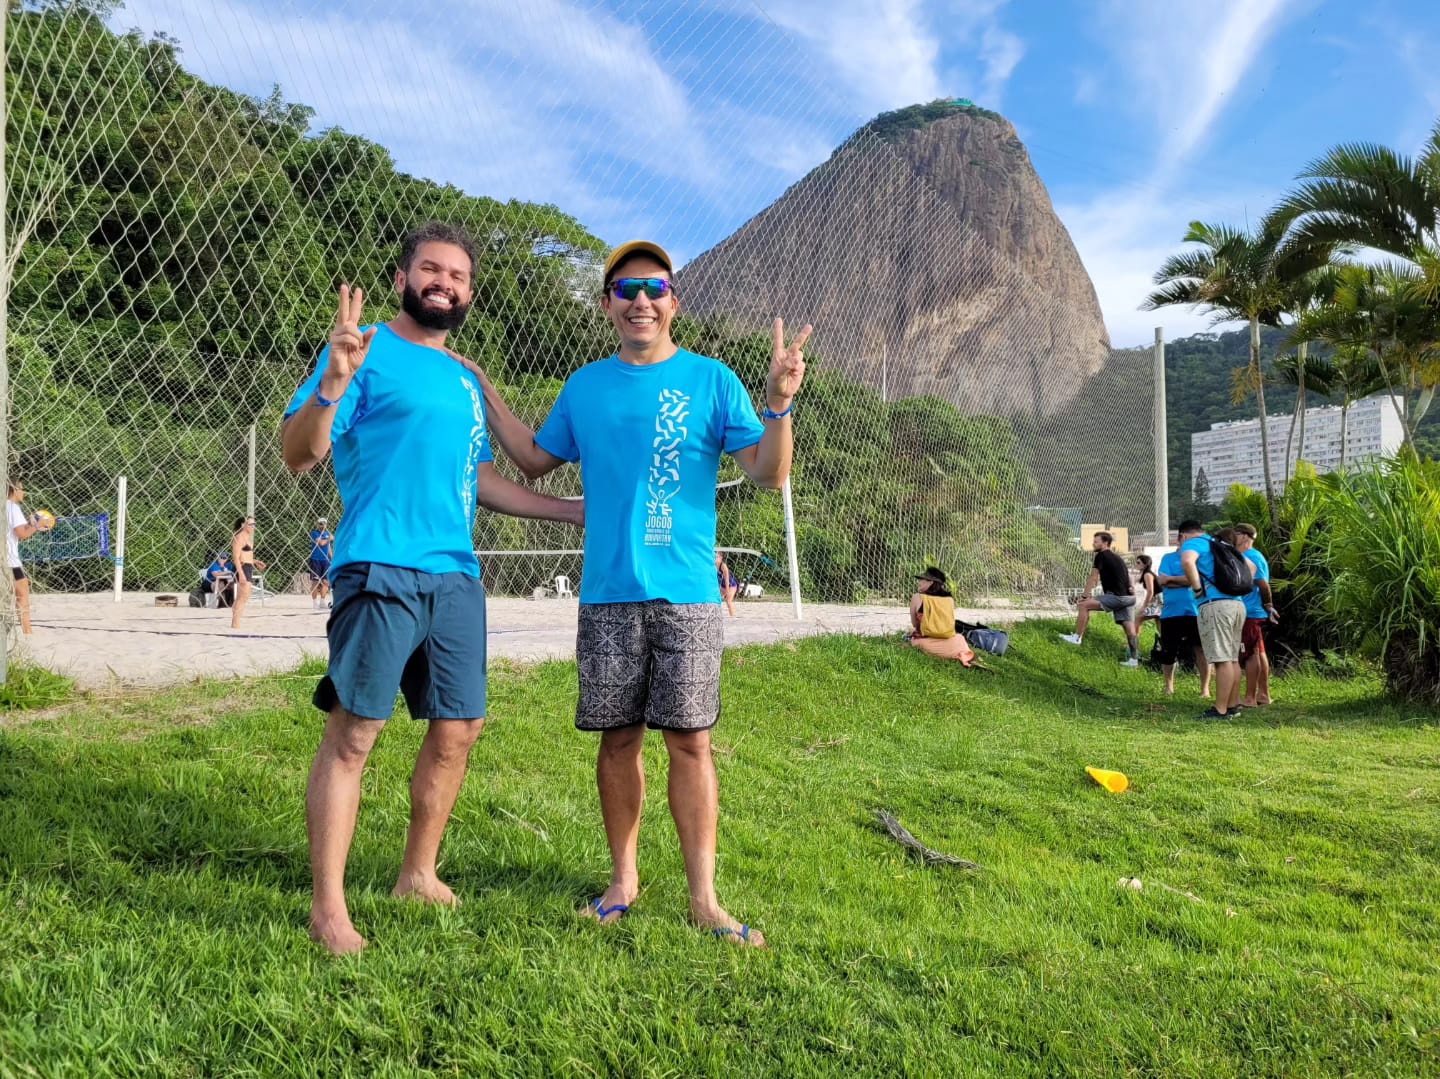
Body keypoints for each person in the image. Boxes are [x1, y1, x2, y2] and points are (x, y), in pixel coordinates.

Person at [450, 239, 808, 947]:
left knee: (691, 741)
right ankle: (623, 880)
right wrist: (484, 389)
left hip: (689, 595)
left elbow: (769, 474)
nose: (640, 300)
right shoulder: (586, 387)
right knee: (617, 741)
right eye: (625, 290)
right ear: (607, 305)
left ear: (674, 300)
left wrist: (778, 404)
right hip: (608, 592)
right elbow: (532, 457)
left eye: (654, 287)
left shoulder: (712, 381)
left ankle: (704, 898)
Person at [281, 222, 583, 955]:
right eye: (430, 269)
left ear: (470, 292)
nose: (443, 282)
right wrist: (332, 382)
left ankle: (417, 871)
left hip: (456, 576)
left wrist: (576, 511)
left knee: (459, 729)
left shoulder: (463, 378)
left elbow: (477, 479)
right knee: (355, 734)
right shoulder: (363, 350)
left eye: (457, 275)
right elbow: (300, 452)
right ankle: (328, 908)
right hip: (380, 565)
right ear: (402, 278)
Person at [1181, 525, 1247, 719]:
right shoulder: (1219, 544)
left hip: (1215, 605)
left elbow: (1187, 561)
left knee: (1222, 659)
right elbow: (1249, 567)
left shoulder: (1194, 543)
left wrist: (1197, 589)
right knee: (1232, 658)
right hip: (1237, 604)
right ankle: (1233, 706)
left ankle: (1220, 709)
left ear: (1183, 536)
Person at [1059, 531, 1143, 665]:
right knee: (1129, 627)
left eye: (1096, 541)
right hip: (1129, 598)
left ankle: (1076, 638)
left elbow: (1093, 577)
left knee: (1083, 605)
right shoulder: (1116, 557)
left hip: (1117, 597)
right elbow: (1124, 577)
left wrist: (1085, 595)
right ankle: (1134, 659)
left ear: (1105, 543)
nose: (1093, 543)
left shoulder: (1101, 555)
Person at [1152, 520, 1212, 697]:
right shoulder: (1168, 558)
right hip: (1171, 611)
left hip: (1196, 610)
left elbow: (1199, 580)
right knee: (1169, 650)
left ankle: (1205, 689)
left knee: (1200, 649)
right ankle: (1169, 686)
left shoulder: (1199, 556)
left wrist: (1173, 580)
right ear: (1181, 538)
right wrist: (1187, 580)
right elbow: (1162, 581)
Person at [1232, 523, 1278, 708]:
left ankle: (1250, 698)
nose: (1233, 537)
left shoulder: (1251, 557)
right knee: (1259, 653)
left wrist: (1269, 605)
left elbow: (1263, 584)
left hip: (1250, 613)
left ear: (1244, 536)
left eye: (1235, 533)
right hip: (1251, 612)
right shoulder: (1249, 556)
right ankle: (1263, 694)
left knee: (1250, 655)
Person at [6, 480, 52, 634]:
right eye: (22, 489)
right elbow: (22, 534)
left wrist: (30, 523)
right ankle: (28, 632)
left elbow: (15, 531)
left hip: (4, 557)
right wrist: (39, 525)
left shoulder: (3, 506)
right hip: (9, 560)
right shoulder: (13, 507)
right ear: (15, 490)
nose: (24, 492)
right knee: (22, 595)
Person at [907, 566, 974, 665]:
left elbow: (915, 624)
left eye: (922, 579)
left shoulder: (917, 597)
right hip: (953, 644)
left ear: (931, 582)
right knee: (959, 637)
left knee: (914, 640)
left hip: (927, 642)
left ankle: (940, 651)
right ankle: (953, 652)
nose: (919, 581)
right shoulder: (949, 599)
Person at [230, 516, 266, 629]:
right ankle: (235, 623)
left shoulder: (249, 539)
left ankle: (235, 622)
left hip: (248, 566)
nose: (253, 527)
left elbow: (246, 555)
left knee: (244, 596)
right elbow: (236, 558)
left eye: (254, 524)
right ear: (243, 525)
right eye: (250, 524)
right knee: (242, 597)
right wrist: (240, 573)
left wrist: (255, 562)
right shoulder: (239, 538)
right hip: (242, 567)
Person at [1132, 554, 1160, 641]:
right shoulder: (1147, 574)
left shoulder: (1147, 574)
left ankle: (1132, 647)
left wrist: (1144, 605)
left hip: (1157, 600)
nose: (1136, 564)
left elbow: (1150, 591)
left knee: (1138, 618)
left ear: (1145, 564)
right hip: (1160, 600)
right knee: (1159, 623)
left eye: (1138, 562)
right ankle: (1167, 647)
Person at [309, 517, 334, 610]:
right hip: (315, 560)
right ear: (317, 524)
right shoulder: (315, 533)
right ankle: (315, 603)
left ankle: (322, 602)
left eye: (324, 524)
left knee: (326, 582)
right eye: (320, 524)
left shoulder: (327, 534)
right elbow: (321, 543)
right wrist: (329, 539)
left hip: (325, 561)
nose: (322, 525)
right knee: (315, 582)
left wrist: (332, 558)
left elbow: (328, 547)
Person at [715, 551, 737, 617]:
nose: (715, 558)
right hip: (723, 586)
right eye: (714, 557)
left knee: (728, 601)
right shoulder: (713, 566)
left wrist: (727, 592)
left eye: (716, 557)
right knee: (715, 599)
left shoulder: (723, 566)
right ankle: (716, 615)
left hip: (731, 585)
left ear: (721, 558)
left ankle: (732, 617)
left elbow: (727, 580)